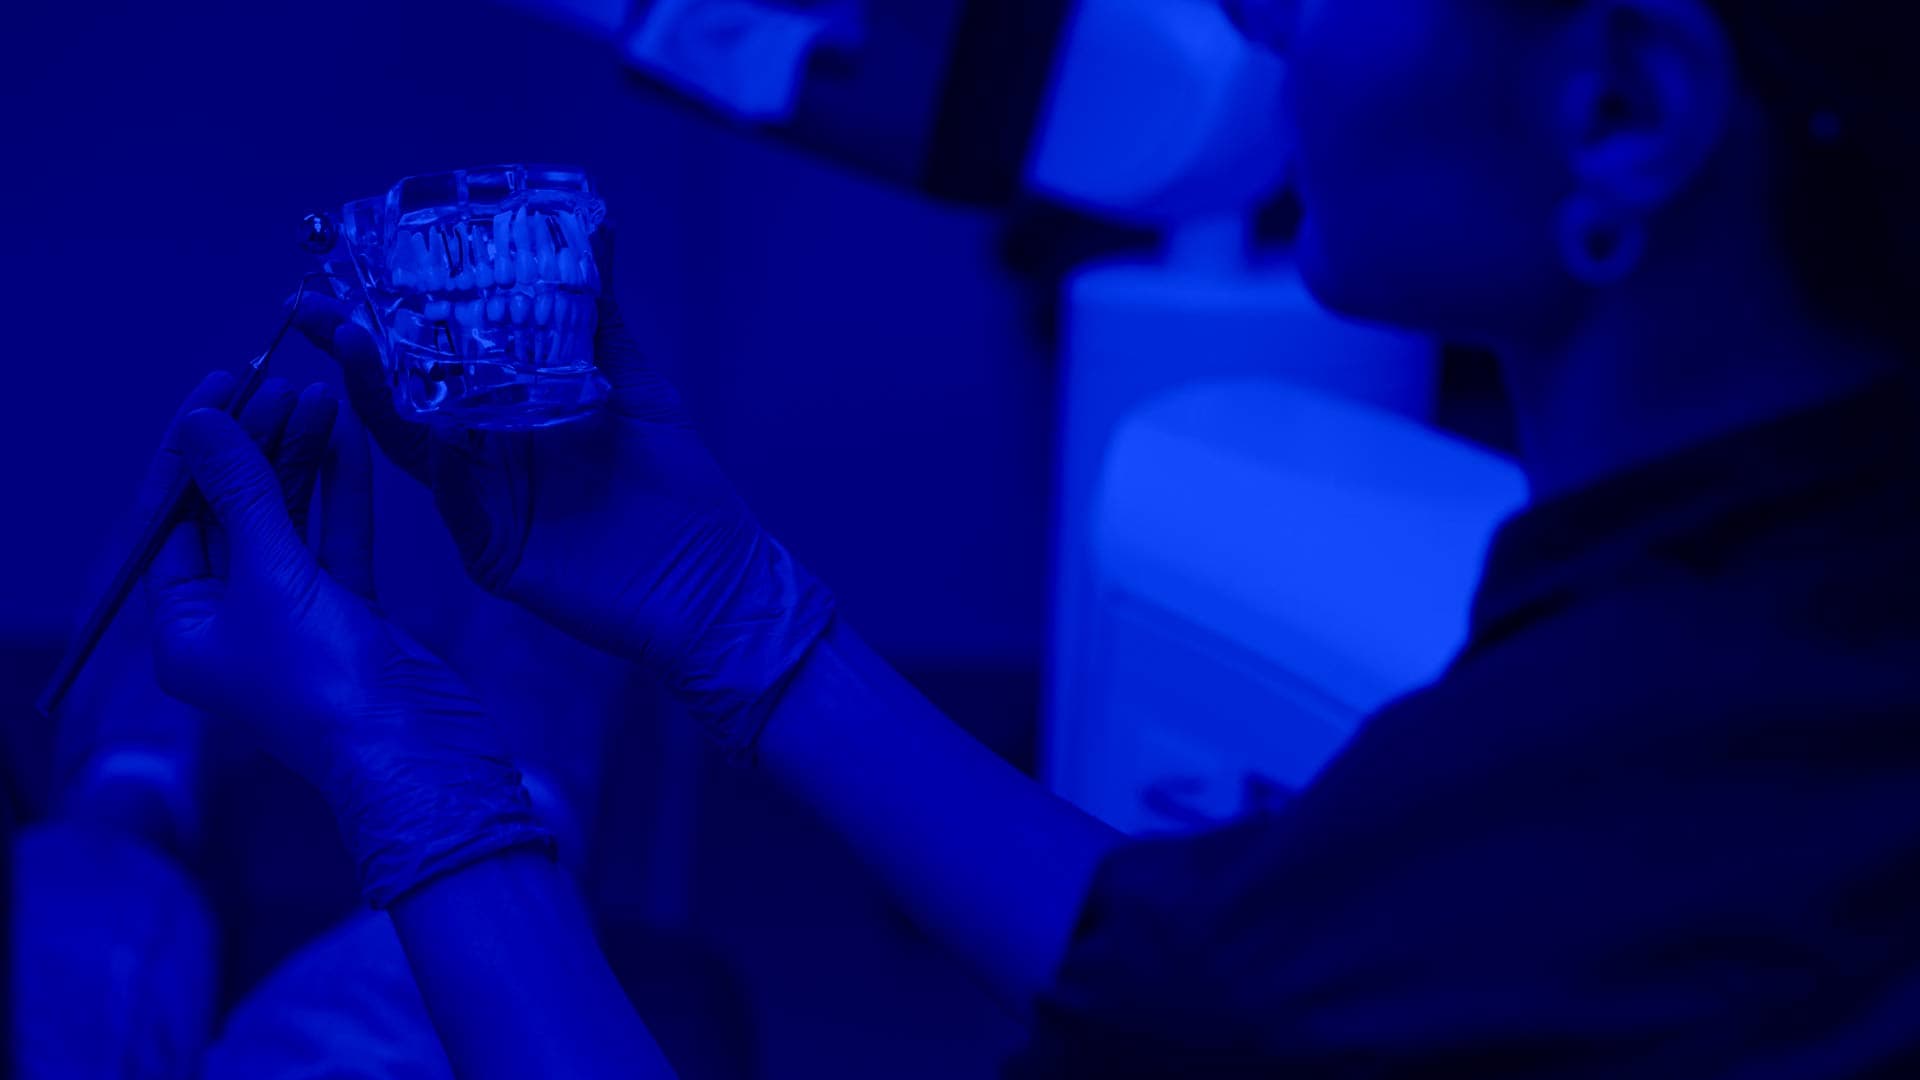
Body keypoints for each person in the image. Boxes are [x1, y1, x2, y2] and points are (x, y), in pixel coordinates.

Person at [145, 0, 1920, 1074]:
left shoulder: (1594, 809)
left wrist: (415, 780)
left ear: (1622, 109)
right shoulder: (1768, 666)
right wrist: (738, 618)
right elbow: (1224, 974)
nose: (1257, 18)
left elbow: (1277, 990)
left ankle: (126, 809)